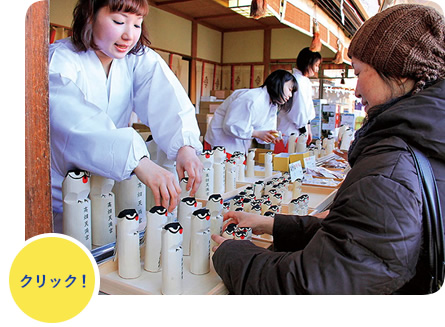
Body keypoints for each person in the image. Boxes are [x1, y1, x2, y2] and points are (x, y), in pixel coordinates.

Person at [211, 4, 445, 294]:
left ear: (398, 74)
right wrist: (274, 224)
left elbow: (311, 285)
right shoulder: (419, 146)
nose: (356, 90)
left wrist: (233, 255)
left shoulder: (391, 169)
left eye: (360, 72)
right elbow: (356, 238)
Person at [49, 0, 203, 215]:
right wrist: (137, 159)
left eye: (137, 24)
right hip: (61, 191)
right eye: (119, 21)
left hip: (109, 186)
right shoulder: (60, 59)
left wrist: (184, 147)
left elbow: (168, 99)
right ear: (90, 17)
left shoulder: (137, 60)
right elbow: (71, 121)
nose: (129, 35)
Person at [204, 69, 297, 156]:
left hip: (236, 146)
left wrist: (271, 136)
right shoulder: (252, 98)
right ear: (279, 83)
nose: (290, 95)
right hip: (219, 144)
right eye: (289, 89)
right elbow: (231, 125)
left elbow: (263, 131)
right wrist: (256, 133)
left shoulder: (272, 105)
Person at [274, 47, 321, 153]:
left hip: (298, 132)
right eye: (316, 65)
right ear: (308, 64)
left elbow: (306, 110)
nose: (317, 69)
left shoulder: (305, 81)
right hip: (289, 133)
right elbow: (297, 110)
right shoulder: (295, 80)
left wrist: (308, 129)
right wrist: (305, 130)